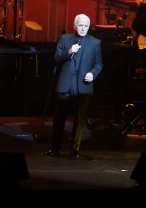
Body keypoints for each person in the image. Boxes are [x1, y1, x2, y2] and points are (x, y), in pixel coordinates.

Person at [44, 14, 103, 158]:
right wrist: (69, 51)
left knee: (79, 118)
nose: (83, 29)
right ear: (74, 25)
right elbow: (57, 58)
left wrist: (92, 74)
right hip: (66, 83)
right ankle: (55, 149)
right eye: (80, 26)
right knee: (59, 118)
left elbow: (99, 64)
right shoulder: (65, 39)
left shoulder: (95, 43)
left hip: (83, 84)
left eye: (86, 26)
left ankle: (74, 150)